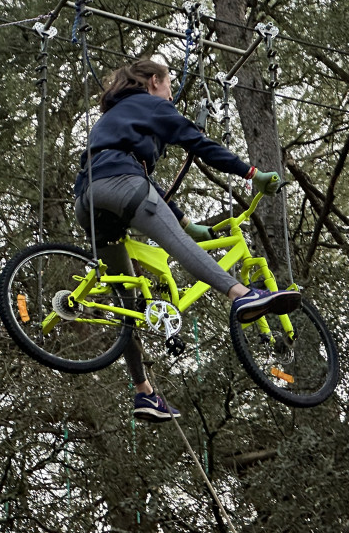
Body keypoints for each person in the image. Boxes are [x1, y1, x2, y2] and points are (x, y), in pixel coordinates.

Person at [73, 59, 301, 423]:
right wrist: (251, 172)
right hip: (122, 185)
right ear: (153, 82)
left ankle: (143, 392)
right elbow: (198, 142)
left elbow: (142, 176)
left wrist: (185, 219)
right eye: (168, 84)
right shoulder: (151, 105)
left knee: (127, 301)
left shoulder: (114, 118)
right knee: (178, 244)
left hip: (88, 200)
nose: (170, 93)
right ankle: (242, 295)